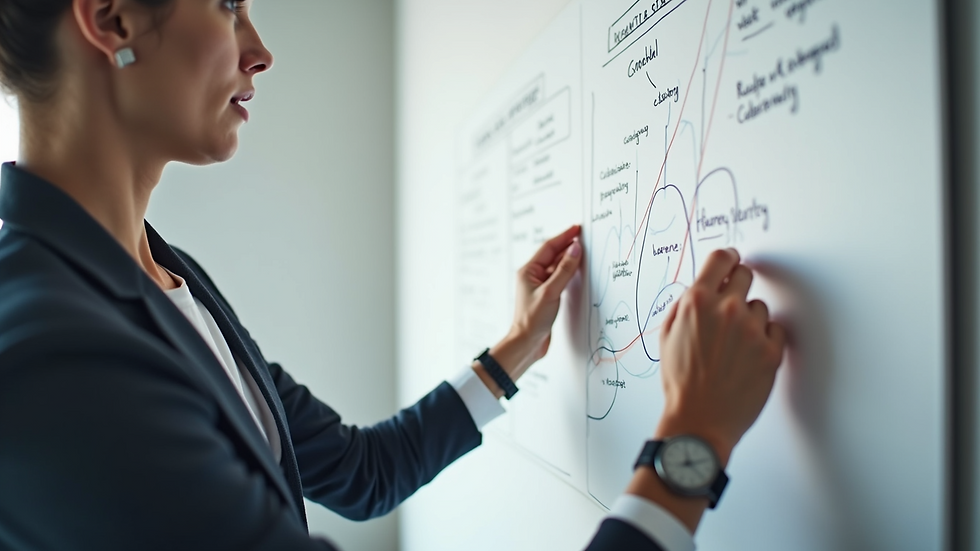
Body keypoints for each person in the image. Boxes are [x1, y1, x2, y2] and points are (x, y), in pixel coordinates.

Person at [0, 1, 787, 549]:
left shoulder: (164, 273)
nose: (260, 49)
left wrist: (514, 350)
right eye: (228, 2)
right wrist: (690, 446)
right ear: (112, 19)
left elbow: (357, 470)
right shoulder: (49, 348)